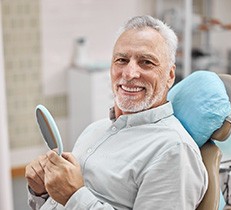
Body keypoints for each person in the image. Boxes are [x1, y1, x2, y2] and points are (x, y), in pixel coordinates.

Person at [25, 15, 208, 210]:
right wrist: (42, 192)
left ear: (170, 75)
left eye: (146, 62)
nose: (129, 74)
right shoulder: (95, 130)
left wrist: (74, 196)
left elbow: (72, 199)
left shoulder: (173, 151)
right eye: (121, 60)